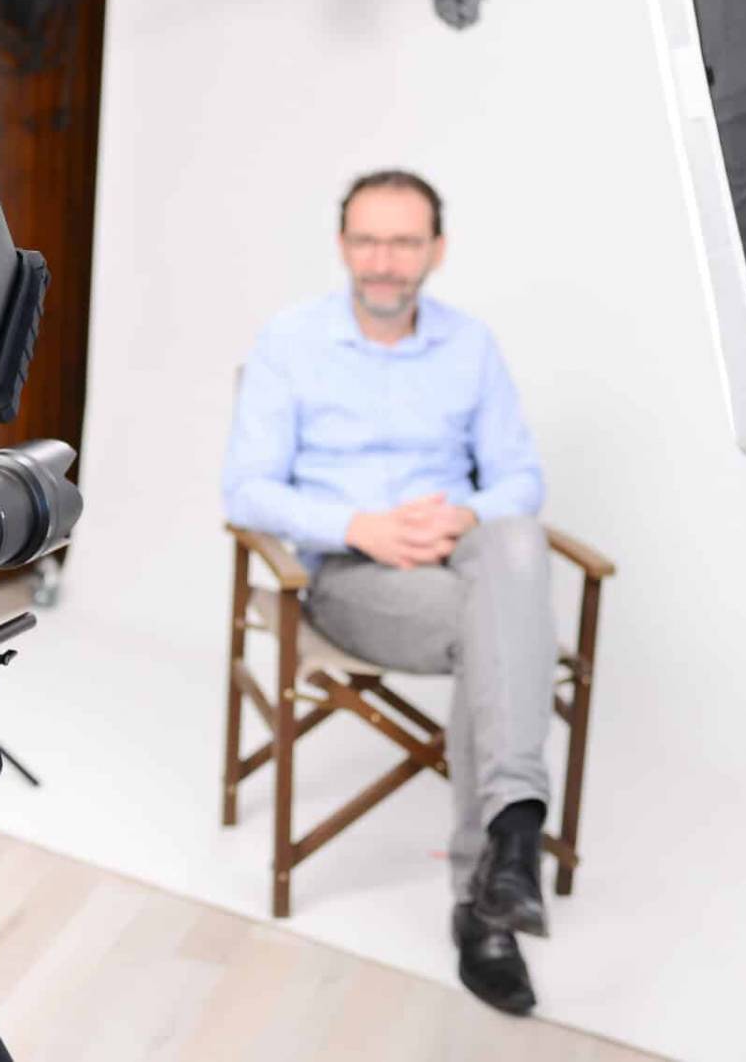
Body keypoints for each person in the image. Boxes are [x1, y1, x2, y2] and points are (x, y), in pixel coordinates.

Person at [221, 168, 557, 1016]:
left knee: (511, 540)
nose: (383, 261)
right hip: (349, 579)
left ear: (434, 252)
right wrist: (359, 526)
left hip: (458, 566)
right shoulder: (289, 342)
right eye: (367, 240)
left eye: (403, 241)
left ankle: (501, 850)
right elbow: (247, 492)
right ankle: (500, 875)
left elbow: (518, 479)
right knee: (505, 633)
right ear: (342, 246)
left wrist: (459, 519)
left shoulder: (470, 345)